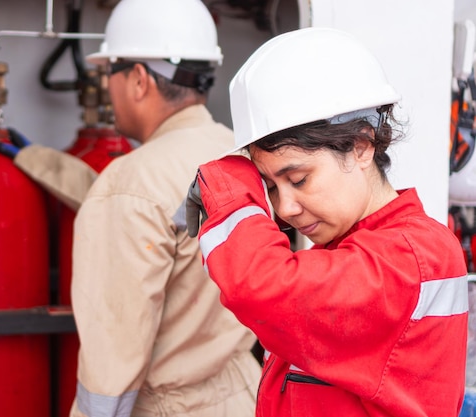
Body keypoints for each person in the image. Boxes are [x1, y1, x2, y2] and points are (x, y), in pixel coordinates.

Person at [185, 27, 468, 416]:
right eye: (270, 186)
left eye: (298, 179)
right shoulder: (355, 250)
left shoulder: (413, 256)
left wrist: (230, 192)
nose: (285, 208)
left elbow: (263, 288)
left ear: (361, 146)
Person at [66, 0, 261, 416]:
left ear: (138, 79)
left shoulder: (130, 183)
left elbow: (111, 366)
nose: (107, 88)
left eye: (109, 74)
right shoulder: (240, 155)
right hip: (247, 393)